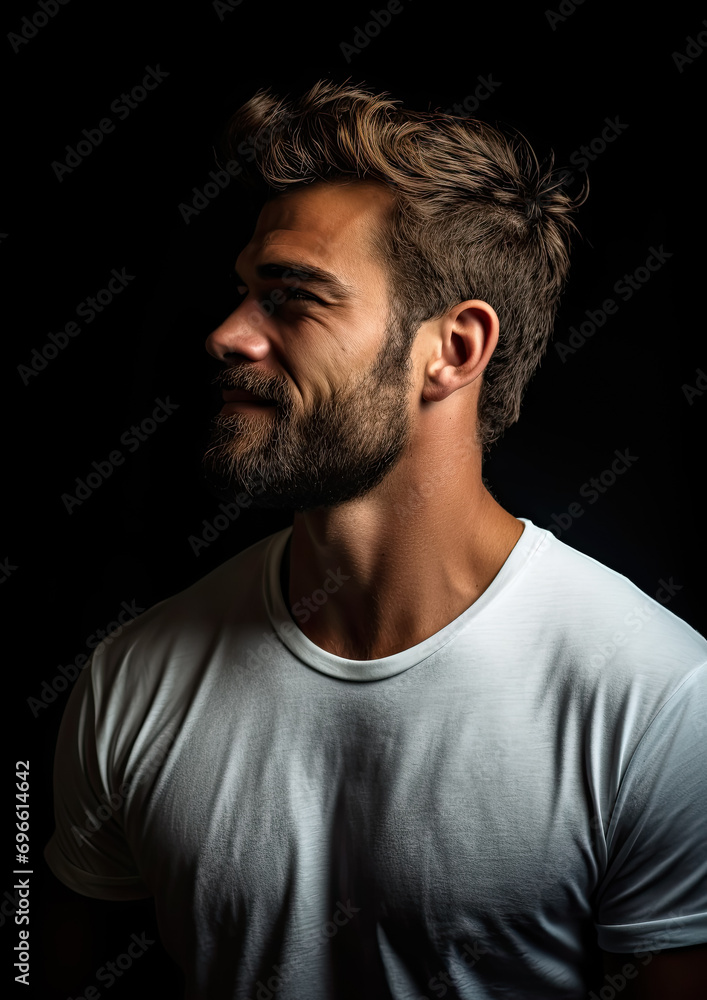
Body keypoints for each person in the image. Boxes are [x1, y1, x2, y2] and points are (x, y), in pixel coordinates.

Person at [44, 80, 707, 999]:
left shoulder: (659, 701)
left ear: (455, 349)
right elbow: (39, 958)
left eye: (293, 299)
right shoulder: (133, 677)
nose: (228, 335)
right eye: (243, 293)